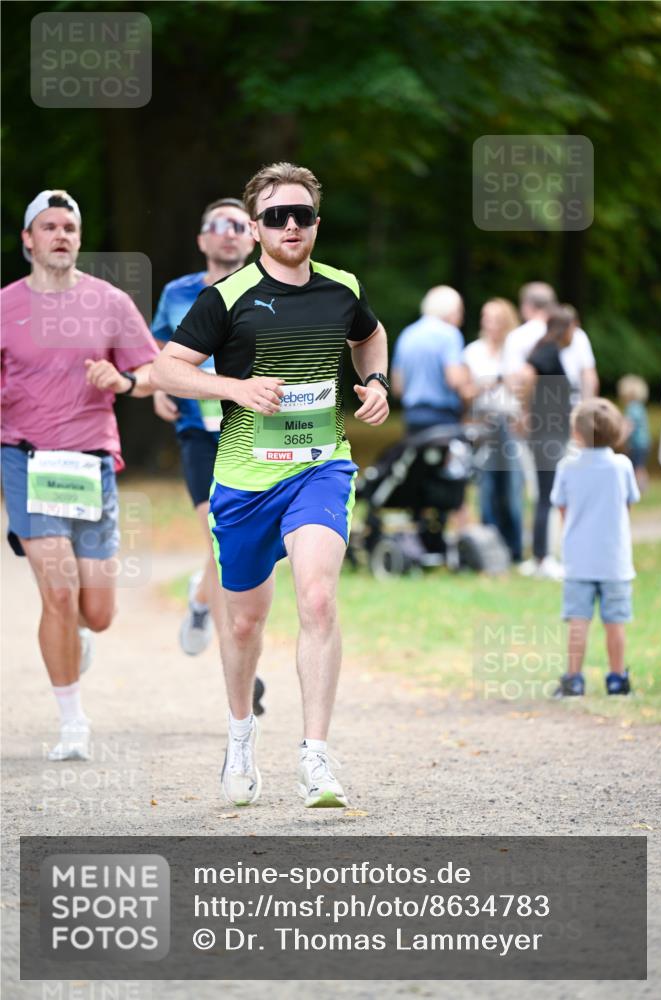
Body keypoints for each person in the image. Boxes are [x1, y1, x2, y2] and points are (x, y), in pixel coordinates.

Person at [150, 162, 389, 809]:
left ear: (315, 223)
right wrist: (234, 388)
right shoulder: (226, 298)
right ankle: (239, 737)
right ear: (255, 227)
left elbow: (370, 337)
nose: (291, 226)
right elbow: (167, 369)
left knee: (316, 599)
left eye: (302, 215)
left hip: (318, 467)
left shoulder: (340, 287)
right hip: (242, 481)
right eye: (277, 216)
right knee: (245, 623)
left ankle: (315, 757)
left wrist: (375, 384)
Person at [0, 189, 158, 760]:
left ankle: (79, 636)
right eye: (48, 227)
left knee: (98, 612)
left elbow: (154, 370)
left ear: (79, 238)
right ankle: (72, 723)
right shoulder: (5, 305)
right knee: (59, 592)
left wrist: (125, 383)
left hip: (90, 462)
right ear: (28, 240)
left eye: (69, 226)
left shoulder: (110, 302)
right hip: (26, 459)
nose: (60, 235)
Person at [151, 197, 266, 714]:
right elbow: (157, 349)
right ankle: (246, 675)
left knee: (232, 543)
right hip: (200, 431)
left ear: (253, 235)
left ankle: (201, 601)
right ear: (202, 240)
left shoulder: (268, 290)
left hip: (254, 430)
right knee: (221, 541)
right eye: (216, 226)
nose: (228, 234)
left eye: (238, 225)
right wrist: (157, 387)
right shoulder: (178, 293)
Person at [550, 398, 640, 697]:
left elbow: (563, 510)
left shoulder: (567, 466)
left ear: (576, 433)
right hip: (615, 561)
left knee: (578, 620)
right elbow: (627, 507)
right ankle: (617, 679)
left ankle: (574, 679)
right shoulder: (622, 466)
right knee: (616, 622)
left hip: (578, 560)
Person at [519, 305, 578, 580]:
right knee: (546, 495)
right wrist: (525, 411)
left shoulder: (548, 349)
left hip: (549, 433)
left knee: (545, 494)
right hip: (546, 434)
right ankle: (543, 557)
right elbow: (527, 375)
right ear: (565, 328)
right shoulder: (548, 350)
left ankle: (540, 554)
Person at [463, 298, 523, 562]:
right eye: (486, 318)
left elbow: (524, 389)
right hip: (483, 424)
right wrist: (493, 382)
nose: (490, 325)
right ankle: (491, 549)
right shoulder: (472, 352)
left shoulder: (517, 351)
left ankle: (516, 548)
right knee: (486, 487)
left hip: (510, 424)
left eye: (496, 319)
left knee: (511, 488)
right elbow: (466, 393)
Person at [502, 282, 599, 401]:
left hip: (541, 411)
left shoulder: (517, 336)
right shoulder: (577, 333)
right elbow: (590, 377)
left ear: (526, 306)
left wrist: (524, 409)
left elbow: (515, 381)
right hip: (573, 408)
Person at [391, 285, 469, 432]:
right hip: (443, 417)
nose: (461, 318)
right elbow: (454, 380)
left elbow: (397, 387)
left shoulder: (407, 334)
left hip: (412, 416)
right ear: (450, 310)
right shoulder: (450, 334)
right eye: (460, 311)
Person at [617, 374, 651, 493]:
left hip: (637, 444)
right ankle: (643, 489)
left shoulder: (631, 408)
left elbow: (628, 426)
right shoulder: (640, 407)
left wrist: (620, 439)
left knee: (636, 467)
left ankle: (639, 490)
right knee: (640, 466)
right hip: (645, 443)